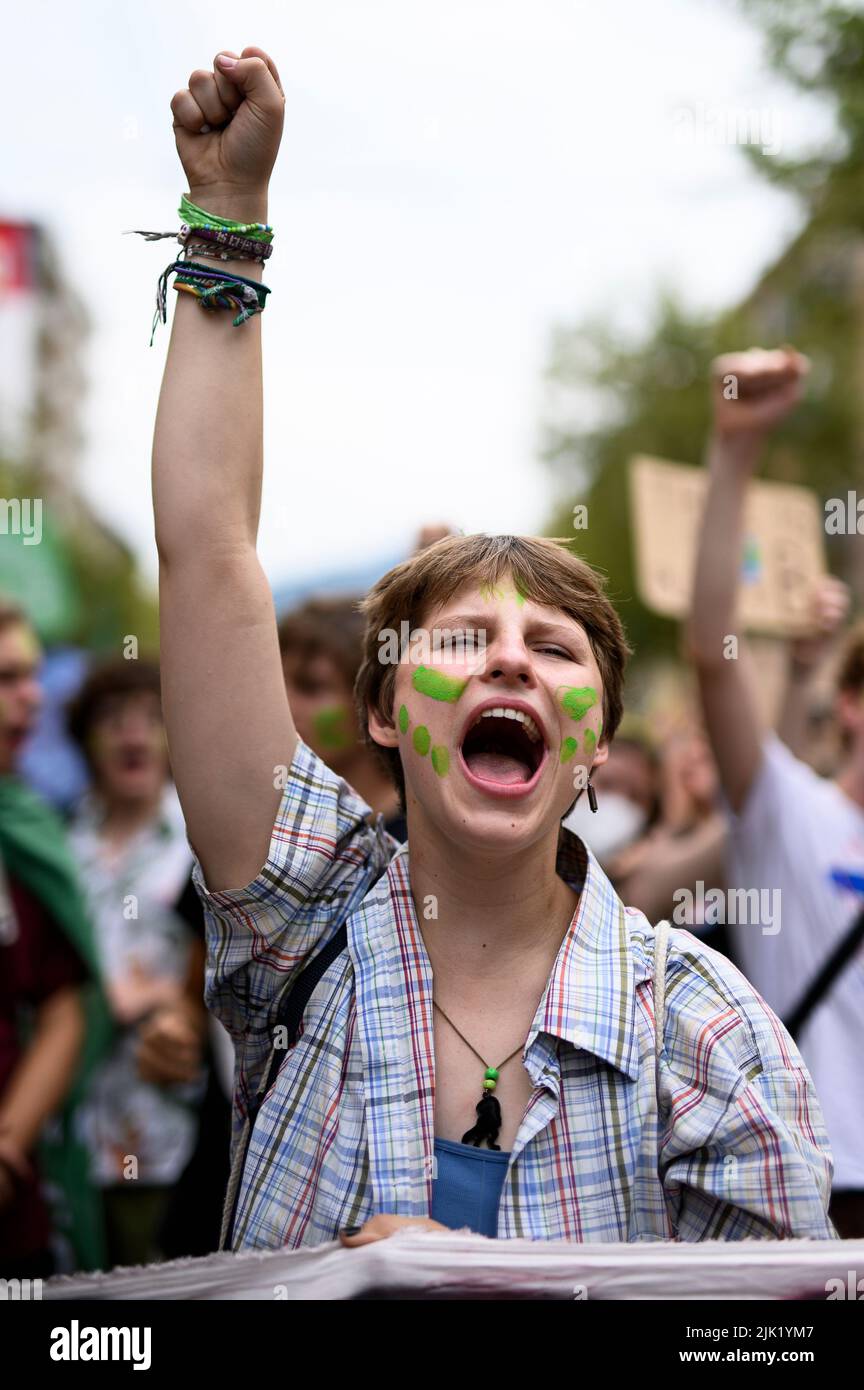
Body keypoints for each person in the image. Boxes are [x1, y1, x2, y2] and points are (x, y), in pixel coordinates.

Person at [151, 48, 835, 1247]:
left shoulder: (709, 1033)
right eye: (463, 638)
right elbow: (209, 551)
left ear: (597, 742)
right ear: (382, 713)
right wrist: (229, 222)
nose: (512, 663)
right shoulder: (300, 918)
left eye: (557, 648)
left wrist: (471, 1285)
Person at [688, 345, 864, 1237]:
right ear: (851, 704)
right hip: (817, 1198)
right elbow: (711, 655)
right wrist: (735, 453)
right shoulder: (794, 813)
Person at [66, 658, 206, 1266]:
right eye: (113, 720)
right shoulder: (62, 844)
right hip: (70, 1125)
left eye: (152, 718)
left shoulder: (201, 840)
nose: (133, 733)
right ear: (84, 739)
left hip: (168, 1124)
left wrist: (171, 999)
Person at [0, 600, 109, 1275]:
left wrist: (8, 1145)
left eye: (34, 675)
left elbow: (63, 1005)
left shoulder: (26, 825)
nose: (32, 697)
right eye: (8, 678)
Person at [278, 597, 405, 840]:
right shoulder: (294, 833)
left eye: (310, 687)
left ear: (379, 705)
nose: (284, 704)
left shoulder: (425, 840)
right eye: (278, 685)